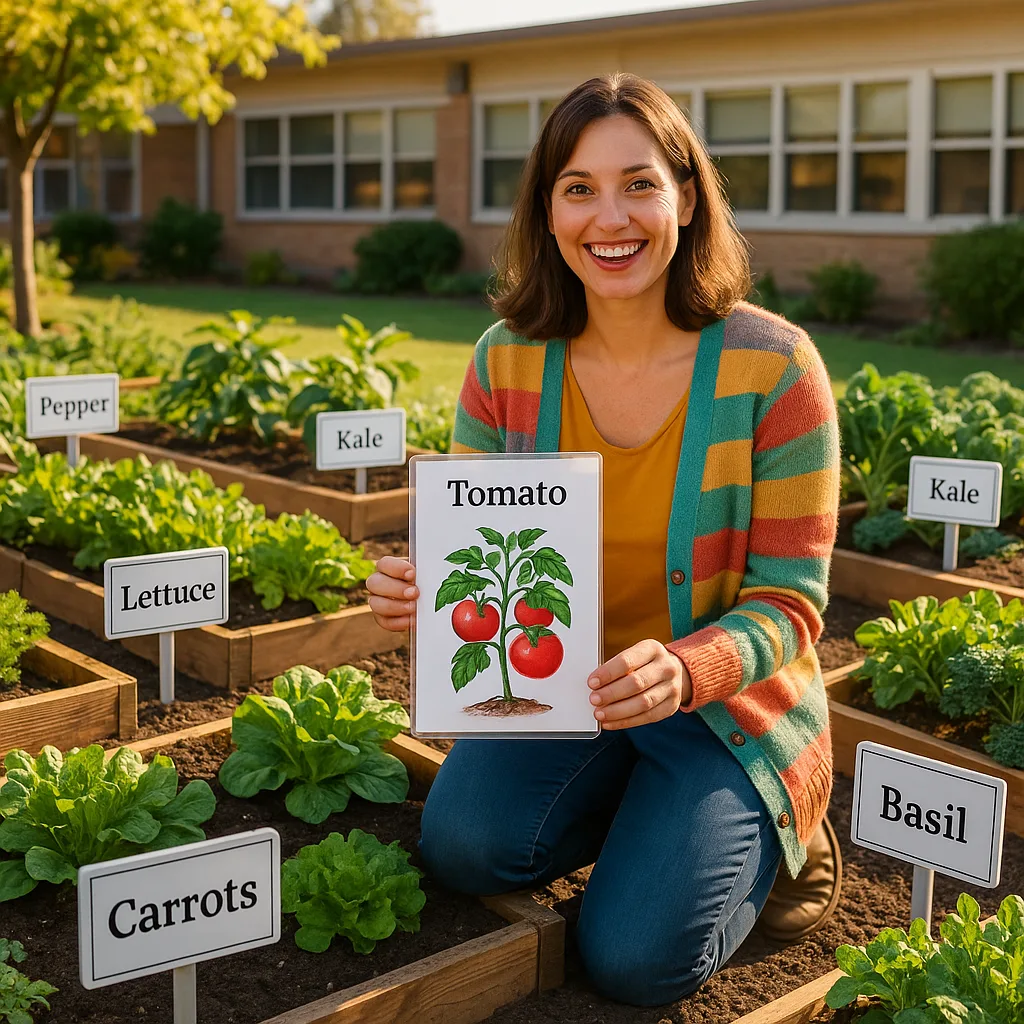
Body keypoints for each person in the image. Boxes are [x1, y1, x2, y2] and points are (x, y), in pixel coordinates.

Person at [367, 72, 841, 1007]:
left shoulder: (773, 367)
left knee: (632, 959)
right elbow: (473, 539)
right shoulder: (505, 358)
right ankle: (648, 815)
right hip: (560, 690)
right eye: (577, 187)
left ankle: (788, 837)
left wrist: (686, 668)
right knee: (463, 848)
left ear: (687, 198)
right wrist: (421, 591)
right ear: (548, 211)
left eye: (639, 183)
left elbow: (791, 602)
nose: (608, 216)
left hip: (720, 710)